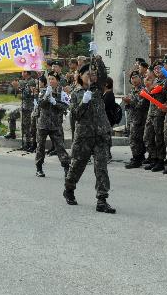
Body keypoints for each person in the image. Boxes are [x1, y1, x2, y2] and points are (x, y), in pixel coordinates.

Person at [63, 56, 116, 214]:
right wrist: (83, 102)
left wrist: (97, 59)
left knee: (101, 168)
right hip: (84, 137)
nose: (91, 76)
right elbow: (76, 115)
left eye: (93, 74)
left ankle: (102, 200)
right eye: (88, 74)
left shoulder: (97, 89)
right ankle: (69, 189)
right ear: (80, 76)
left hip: (100, 135)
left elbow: (103, 75)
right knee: (77, 166)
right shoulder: (76, 93)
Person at [35, 73, 71, 177]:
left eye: (53, 79)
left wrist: (55, 103)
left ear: (58, 81)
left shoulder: (62, 93)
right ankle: (39, 168)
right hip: (43, 124)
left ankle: (66, 168)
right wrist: (46, 96)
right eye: (49, 79)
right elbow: (40, 104)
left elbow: (66, 107)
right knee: (40, 147)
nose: (51, 81)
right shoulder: (43, 91)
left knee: (60, 147)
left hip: (56, 125)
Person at [143, 61, 167, 172]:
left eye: (160, 68)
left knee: (159, 138)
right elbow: (150, 92)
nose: (157, 70)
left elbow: (156, 91)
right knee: (147, 137)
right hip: (151, 112)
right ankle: (153, 158)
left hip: (159, 113)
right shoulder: (156, 80)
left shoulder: (166, 81)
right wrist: (149, 85)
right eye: (156, 69)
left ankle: (160, 161)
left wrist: (149, 86)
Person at [123, 71, 150, 169]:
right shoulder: (132, 90)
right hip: (132, 118)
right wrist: (127, 102)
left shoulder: (144, 90)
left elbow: (142, 104)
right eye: (132, 78)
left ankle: (136, 158)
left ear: (140, 78)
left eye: (136, 77)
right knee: (135, 139)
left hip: (140, 119)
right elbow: (128, 106)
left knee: (135, 140)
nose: (134, 80)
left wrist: (131, 101)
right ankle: (139, 157)